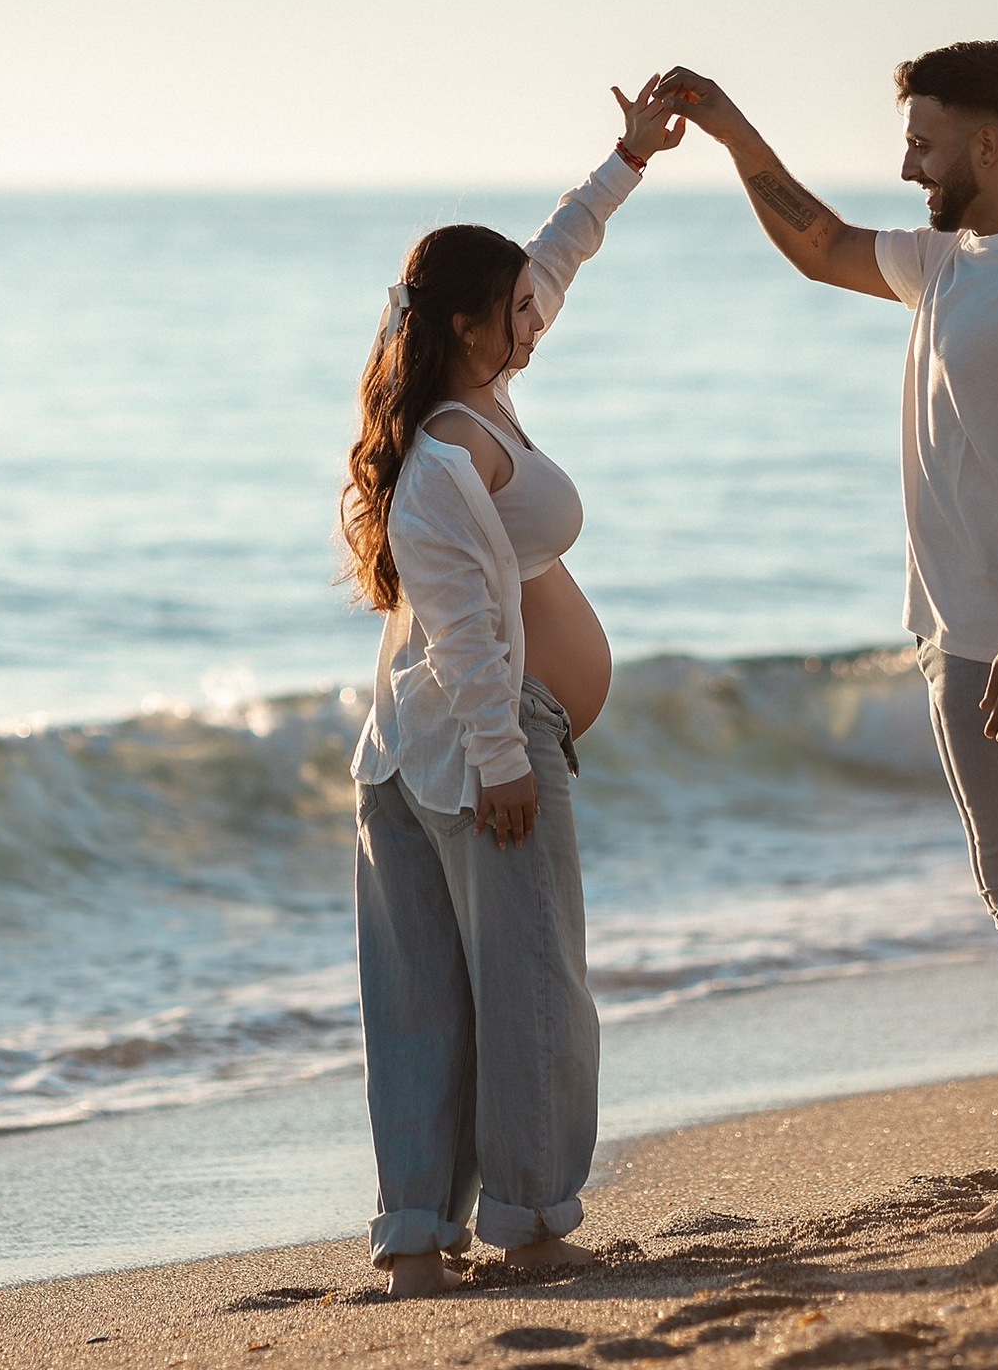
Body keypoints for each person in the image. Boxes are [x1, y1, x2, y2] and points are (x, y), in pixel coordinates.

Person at [665, 42, 998, 1226]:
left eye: (923, 140)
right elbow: (818, 244)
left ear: (988, 142)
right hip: (964, 629)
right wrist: (725, 126)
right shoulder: (949, 261)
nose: (906, 160)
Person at [339, 72, 687, 1297]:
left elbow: (555, 255)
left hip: (418, 752)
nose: (534, 321)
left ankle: (418, 1237)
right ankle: (530, 1223)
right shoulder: (439, 458)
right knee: (531, 991)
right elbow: (457, 631)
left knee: (429, 999)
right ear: (462, 328)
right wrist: (503, 759)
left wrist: (627, 158)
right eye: (511, 314)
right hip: (469, 750)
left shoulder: (481, 389)